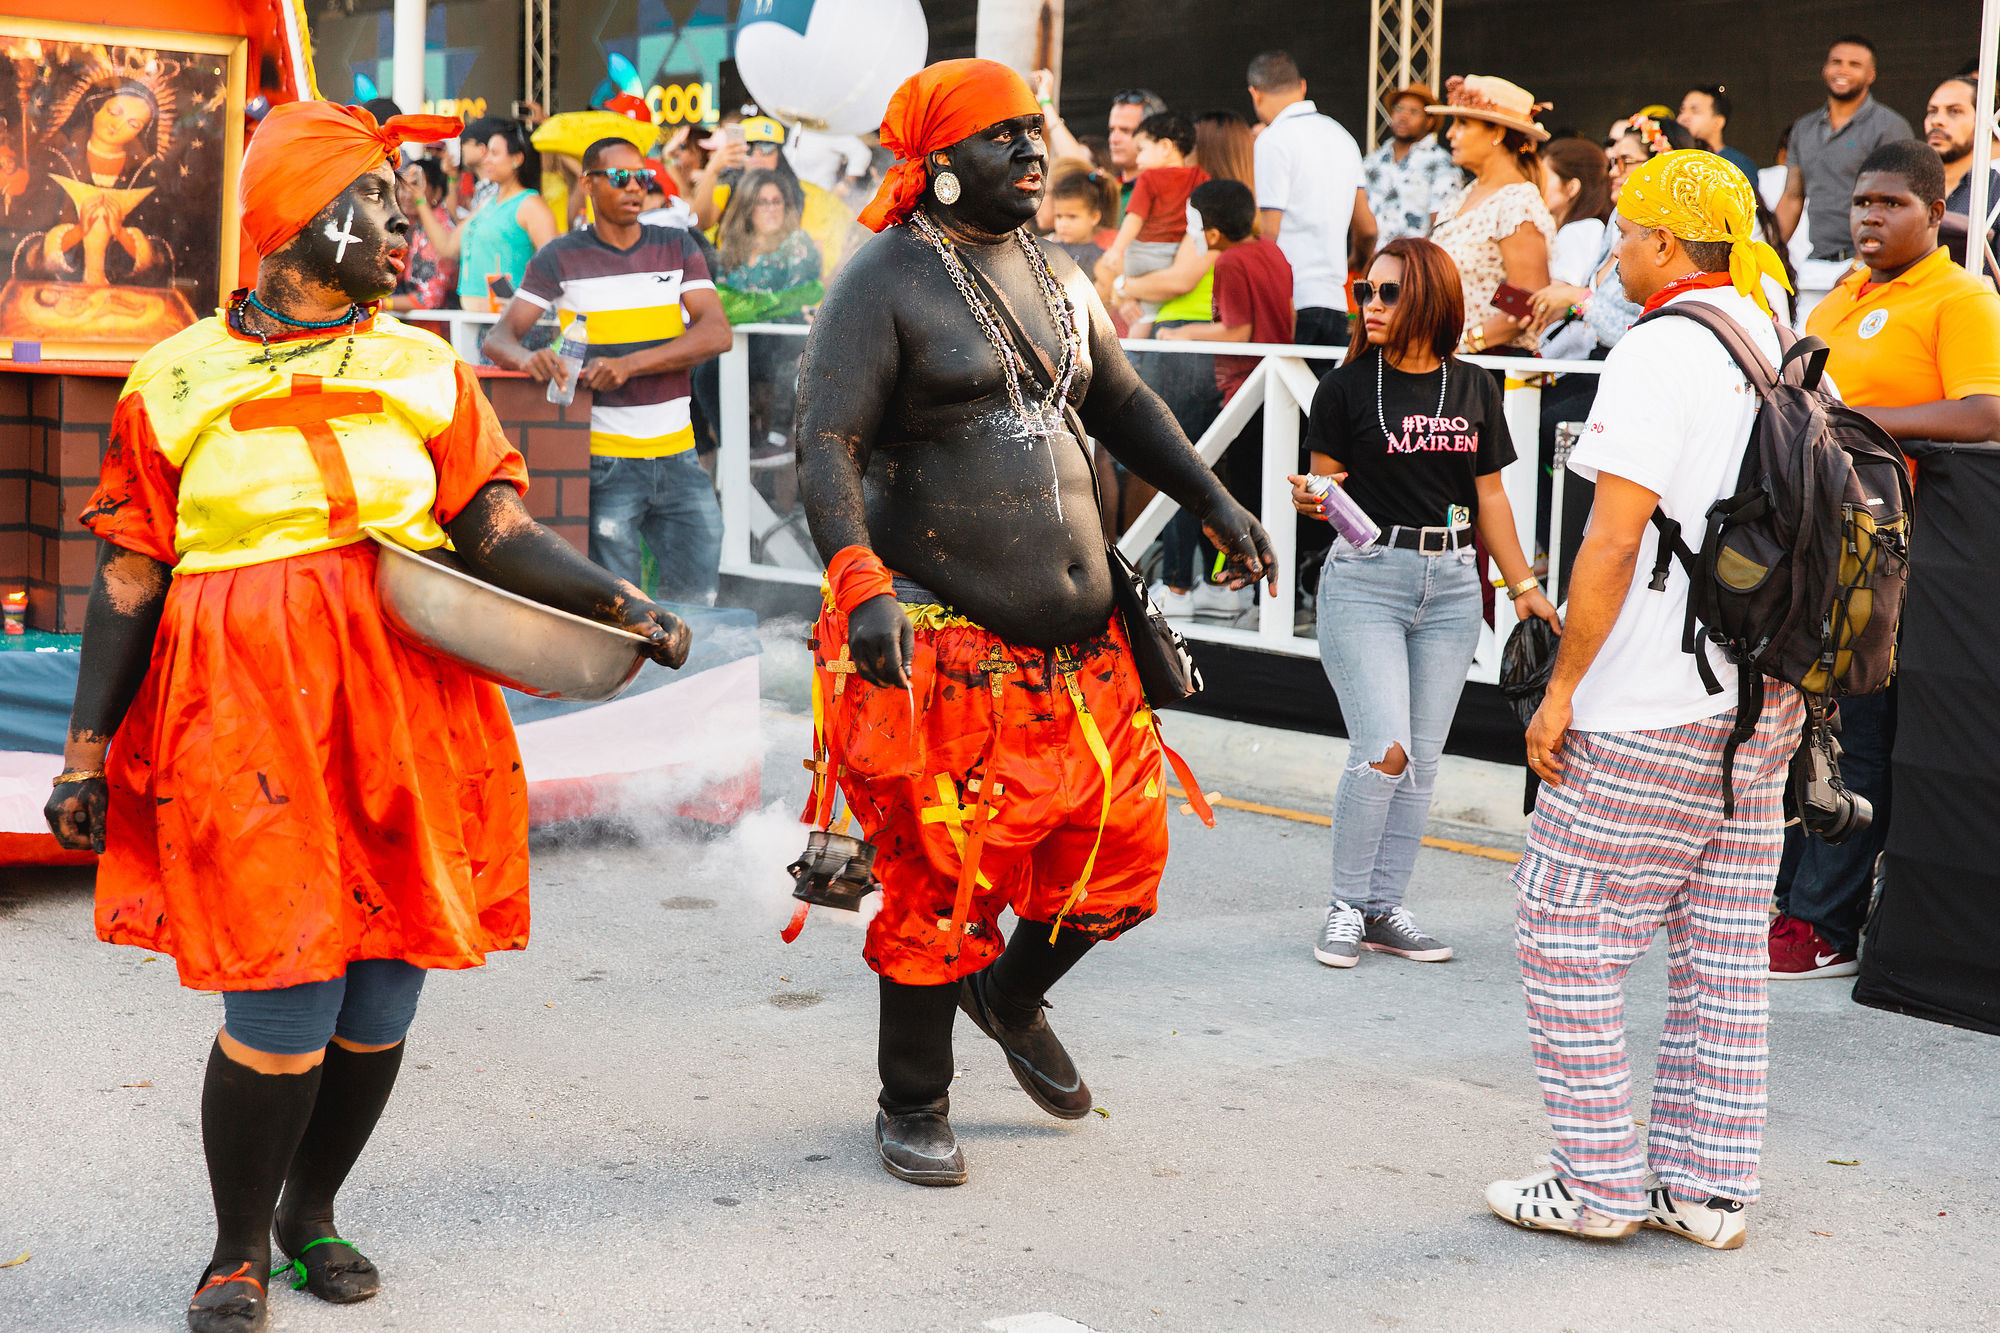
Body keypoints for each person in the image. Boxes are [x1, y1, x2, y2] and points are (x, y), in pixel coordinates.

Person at [42, 101, 692, 1333]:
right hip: (245, 720)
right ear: (301, 220)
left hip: (407, 710)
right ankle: (236, 1250)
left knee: (381, 995)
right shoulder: (173, 376)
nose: (408, 230)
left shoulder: (425, 368)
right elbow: (131, 575)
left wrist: (623, 602)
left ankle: (314, 1212)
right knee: (280, 996)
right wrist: (84, 756)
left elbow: (494, 527)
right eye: (381, 205)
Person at [793, 58, 1276, 1188]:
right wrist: (858, 580)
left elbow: (1122, 402)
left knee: (1118, 854)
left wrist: (1214, 500)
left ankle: (1008, 996)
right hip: (940, 642)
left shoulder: (1056, 270)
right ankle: (913, 1099)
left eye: (1032, 131)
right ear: (938, 163)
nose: (1029, 151)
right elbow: (826, 445)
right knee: (938, 879)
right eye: (1000, 135)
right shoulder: (884, 280)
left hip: (1084, 651)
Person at [1489, 150, 1803, 1250]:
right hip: (1765, 696)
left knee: (1562, 928)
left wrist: (1561, 687)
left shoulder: (1658, 348)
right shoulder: (1772, 332)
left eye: (1624, 232)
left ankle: (1598, 1182)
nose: (1614, 249)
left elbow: (1613, 541)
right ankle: (1706, 1189)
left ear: (1665, 244)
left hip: (1650, 702)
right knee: (1721, 945)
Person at [1284, 238, 1558, 969]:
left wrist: (1523, 588)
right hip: (1367, 577)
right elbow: (1326, 487)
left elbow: (1490, 497)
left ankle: (1384, 906)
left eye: (1388, 292)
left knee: (1423, 761)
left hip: (1454, 584)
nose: (1370, 305)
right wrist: (1314, 498)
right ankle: (1346, 904)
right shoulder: (1344, 388)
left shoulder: (1474, 387)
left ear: (1431, 300)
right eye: (1364, 291)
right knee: (1385, 749)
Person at [1770, 140, 2000, 979]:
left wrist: (1849, 423)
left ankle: (1823, 925)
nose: (1870, 216)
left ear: (1935, 212)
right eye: (1863, 201)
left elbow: (1985, 414)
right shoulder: (1840, 295)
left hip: (1896, 550)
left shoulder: (1962, 296)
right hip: (1816, 539)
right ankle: (1790, 899)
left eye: (1891, 204)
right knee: (1806, 729)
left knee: (1858, 735)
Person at [484, 137, 732, 604]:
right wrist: (529, 359)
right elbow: (499, 339)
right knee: (620, 607)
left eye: (643, 177)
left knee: (698, 601)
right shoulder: (560, 256)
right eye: (620, 178)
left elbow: (717, 333)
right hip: (605, 462)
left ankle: (687, 658)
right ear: (588, 184)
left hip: (680, 457)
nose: (635, 187)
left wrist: (628, 366)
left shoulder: (676, 244)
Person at [1151, 179, 1294, 613]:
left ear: (1212, 233)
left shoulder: (1231, 261)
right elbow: (1285, 317)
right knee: (1257, 492)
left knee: (1228, 492)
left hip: (1242, 391)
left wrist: (1181, 333)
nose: (1190, 233)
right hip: (1272, 389)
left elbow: (1237, 332)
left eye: (1192, 224)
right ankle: (1246, 594)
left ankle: (1240, 592)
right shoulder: (1271, 250)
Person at [1249, 50, 1375, 355]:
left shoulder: (1272, 139)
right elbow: (1368, 229)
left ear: (1255, 93)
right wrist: (1354, 263)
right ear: (1302, 86)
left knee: (1279, 387)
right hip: (1334, 300)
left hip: (1290, 302)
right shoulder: (1343, 137)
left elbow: (1269, 232)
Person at [1426, 75, 1555, 355]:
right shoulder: (1463, 196)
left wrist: (1465, 343)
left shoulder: (1517, 202)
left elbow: (1527, 302)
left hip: (1491, 364)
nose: (1450, 134)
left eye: (1463, 123)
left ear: (1496, 132)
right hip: (1448, 358)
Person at [713, 167, 823, 465]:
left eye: (777, 201)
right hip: (739, 341)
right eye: (763, 202)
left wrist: (745, 305)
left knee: (782, 354)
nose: (772, 209)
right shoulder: (733, 246)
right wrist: (763, 303)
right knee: (706, 370)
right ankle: (739, 441)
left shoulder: (797, 242)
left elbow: (804, 295)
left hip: (782, 339)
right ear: (748, 207)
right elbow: (720, 299)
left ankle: (775, 439)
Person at [1777, 36, 1914, 263]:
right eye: (1836, 62)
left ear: (1871, 75)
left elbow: (1895, 204)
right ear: (1825, 68)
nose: (1843, 70)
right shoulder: (1803, 128)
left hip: (1871, 262)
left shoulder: (1890, 126)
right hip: (1817, 260)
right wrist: (1763, 257)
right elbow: (1792, 198)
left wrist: (1860, 265)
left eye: (1855, 64)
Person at [418, 121, 559, 313]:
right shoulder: (486, 203)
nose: (487, 160)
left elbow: (554, 266)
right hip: (472, 319)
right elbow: (447, 247)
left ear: (517, 159)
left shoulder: (530, 204)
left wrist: (525, 306)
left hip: (509, 321)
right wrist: (420, 200)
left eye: (495, 153)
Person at [1101, 112, 1207, 320]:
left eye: (1141, 150)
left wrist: (1117, 249)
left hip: (1144, 255)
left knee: (1141, 317)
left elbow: (1135, 218)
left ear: (1165, 147)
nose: (1138, 159)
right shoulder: (1199, 176)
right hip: (1176, 257)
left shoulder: (1149, 178)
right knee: (1149, 314)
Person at [1035, 72, 1168, 213]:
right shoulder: (1110, 188)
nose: (1114, 139)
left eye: (1126, 131)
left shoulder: (1166, 189)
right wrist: (1045, 102)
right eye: (1112, 130)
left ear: (1154, 135)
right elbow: (1077, 162)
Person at [1363, 84, 1461, 243]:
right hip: (1372, 257)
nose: (1403, 116)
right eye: (1399, 109)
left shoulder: (1442, 163)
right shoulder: (1373, 160)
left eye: (1414, 112)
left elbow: (1442, 225)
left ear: (1429, 121)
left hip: (1414, 257)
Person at [1925, 74, 2000, 267]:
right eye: (1932, 111)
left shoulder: (1995, 191)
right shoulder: (1910, 185)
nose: (1937, 121)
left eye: (1954, 111)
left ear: (1985, 121)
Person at [1540, 137, 1612, 284]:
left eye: (1544, 179)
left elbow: (1561, 291)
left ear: (1571, 187)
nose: (1538, 186)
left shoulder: (1578, 230)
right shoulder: (1587, 227)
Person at [389, 157, 454, 312]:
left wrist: (382, 304)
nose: (407, 195)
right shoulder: (409, 224)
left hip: (439, 323)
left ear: (437, 193)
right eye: (404, 187)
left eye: (415, 186)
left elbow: (430, 299)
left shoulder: (438, 227)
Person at [1044, 162, 1117, 275]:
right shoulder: (1046, 250)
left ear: (1094, 217)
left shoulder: (1099, 258)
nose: (1063, 224)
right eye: (1059, 216)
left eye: (1072, 217)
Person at [1677, 85, 1760, 183]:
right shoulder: (1673, 158)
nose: (1683, 117)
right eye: (1682, 111)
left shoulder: (1737, 165)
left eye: (1695, 111)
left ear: (1718, 122)